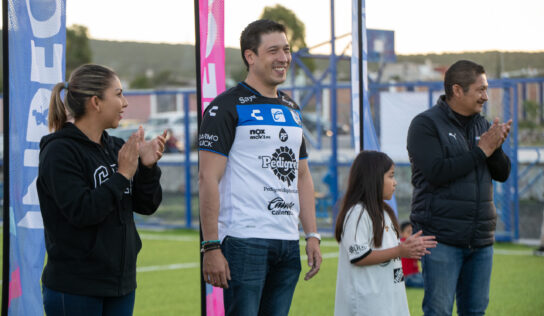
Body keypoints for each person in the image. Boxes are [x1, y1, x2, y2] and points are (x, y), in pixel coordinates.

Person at [198, 19, 322, 316]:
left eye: (287, 50)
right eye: (273, 51)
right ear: (250, 56)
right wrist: (211, 246)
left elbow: (302, 176)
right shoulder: (225, 106)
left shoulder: (291, 108)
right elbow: (207, 179)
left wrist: (312, 235)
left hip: (287, 242)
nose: (284, 58)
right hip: (244, 240)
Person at [37, 64, 166, 316]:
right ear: (96, 102)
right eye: (118, 94)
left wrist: (147, 168)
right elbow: (81, 211)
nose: (125, 102)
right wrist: (122, 175)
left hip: (120, 285)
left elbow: (146, 205)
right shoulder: (59, 151)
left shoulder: (115, 147)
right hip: (75, 288)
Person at [407, 60, 512, 316]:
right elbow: (437, 172)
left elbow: (503, 174)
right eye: (480, 90)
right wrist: (482, 151)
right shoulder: (425, 125)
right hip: (440, 238)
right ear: (457, 90)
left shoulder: (483, 125)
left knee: (475, 312)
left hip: (480, 240)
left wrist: (495, 147)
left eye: (486, 90)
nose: (485, 97)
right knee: (439, 311)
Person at [334, 150, 437, 316]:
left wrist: (409, 247)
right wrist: (400, 251)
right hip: (367, 305)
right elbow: (358, 256)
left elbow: (387, 248)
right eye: (391, 176)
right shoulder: (358, 213)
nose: (395, 182)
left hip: (391, 299)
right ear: (373, 178)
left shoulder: (385, 213)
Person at [400, 221, 424, 288]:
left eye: (412, 232)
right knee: (428, 283)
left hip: (415, 274)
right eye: (408, 232)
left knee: (429, 279)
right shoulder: (403, 242)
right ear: (401, 233)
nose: (411, 234)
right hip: (408, 276)